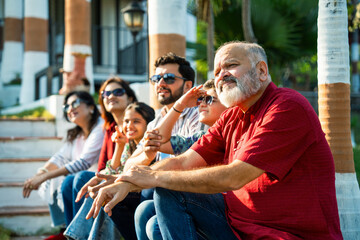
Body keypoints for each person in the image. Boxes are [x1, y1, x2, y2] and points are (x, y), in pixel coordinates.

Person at [87, 41, 343, 239]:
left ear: (262, 71)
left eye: (230, 65)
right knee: (149, 216)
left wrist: (149, 177)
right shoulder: (232, 116)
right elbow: (184, 162)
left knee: (169, 191)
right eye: (217, 70)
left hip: (282, 233)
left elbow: (234, 176)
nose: (220, 75)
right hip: (239, 224)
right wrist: (127, 180)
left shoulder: (287, 106)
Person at [77, 52, 205, 238]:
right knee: (102, 191)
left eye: (168, 78)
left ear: (187, 85)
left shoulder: (198, 115)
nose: (160, 84)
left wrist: (134, 172)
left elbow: (188, 160)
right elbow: (130, 164)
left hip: (184, 189)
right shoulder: (155, 122)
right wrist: (144, 157)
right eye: (156, 78)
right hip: (156, 186)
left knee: (143, 201)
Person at [135, 79, 227, 240]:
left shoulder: (232, 133)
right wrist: (181, 104)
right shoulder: (201, 137)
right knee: (146, 212)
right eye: (201, 99)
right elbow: (160, 141)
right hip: (206, 208)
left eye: (210, 99)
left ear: (229, 107)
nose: (202, 104)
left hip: (229, 215)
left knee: (169, 186)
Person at [64, 102, 155, 240]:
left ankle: (77, 236)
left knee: (104, 192)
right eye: (126, 121)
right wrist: (119, 147)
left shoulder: (150, 145)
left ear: (149, 124)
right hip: (127, 192)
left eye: (136, 121)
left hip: (140, 194)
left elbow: (130, 175)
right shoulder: (130, 144)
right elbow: (111, 172)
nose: (129, 126)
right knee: (95, 187)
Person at [60, 77, 137, 231]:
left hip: (130, 183)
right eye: (106, 94)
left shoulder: (137, 124)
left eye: (118, 92)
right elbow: (102, 167)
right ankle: (74, 234)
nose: (111, 96)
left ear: (130, 97)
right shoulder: (109, 129)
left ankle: (81, 234)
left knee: (81, 178)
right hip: (111, 176)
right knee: (69, 182)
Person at [22, 91, 104, 231]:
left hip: (99, 179)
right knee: (61, 178)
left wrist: (44, 177)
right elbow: (60, 158)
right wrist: (40, 174)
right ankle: (67, 228)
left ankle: (77, 232)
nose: (70, 109)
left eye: (75, 103)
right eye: (66, 107)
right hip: (81, 181)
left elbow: (83, 162)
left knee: (70, 179)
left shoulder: (100, 127)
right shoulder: (76, 134)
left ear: (91, 107)